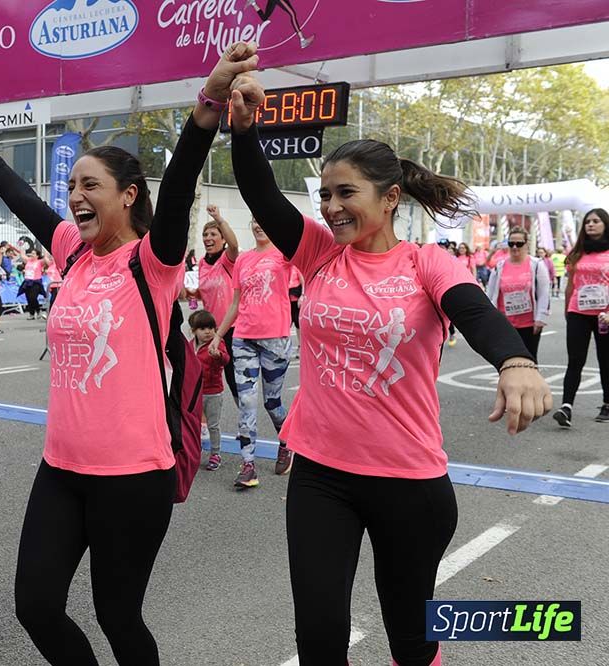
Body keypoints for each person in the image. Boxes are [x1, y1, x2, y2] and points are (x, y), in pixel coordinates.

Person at [228, 70, 551, 666]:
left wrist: (514, 360)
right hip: (321, 476)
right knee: (319, 638)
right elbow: (261, 194)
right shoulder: (320, 253)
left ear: (390, 197)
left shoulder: (427, 262)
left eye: (345, 193)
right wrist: (243, 129)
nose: (331, 207)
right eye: (325, 195)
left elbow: (474, 311)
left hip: (409, 482)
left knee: (410, 639)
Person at [0, 42, 254, 666]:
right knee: (35, 605)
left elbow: (175, 196)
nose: (75, 195)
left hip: (134, 476)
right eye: (72, 185)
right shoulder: (71, 253)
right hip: (61, 470)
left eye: (90, 185)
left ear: (128, 196)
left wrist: (208, 105)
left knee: (119, 616)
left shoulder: (153, 263)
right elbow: (28, 205)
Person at [211, 219, 294, 488]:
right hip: (243, 338)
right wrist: (218, 335)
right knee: (246, 403)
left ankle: (286, 441)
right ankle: (248, 466)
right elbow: (236, 302)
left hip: (275, 338)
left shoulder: (283, 254)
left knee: (272, 403)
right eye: (255, 221)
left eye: (263, 220)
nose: (259, 225)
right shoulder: (243, 260)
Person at [552, 208, 609, 427]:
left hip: (604, 316)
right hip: (578, 313)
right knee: (575, 360)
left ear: (605, 224)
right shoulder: (577, 252)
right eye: (587, 222)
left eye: (595, 221)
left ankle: (607, 403)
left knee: (605, 360)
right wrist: (568, 311)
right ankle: (566, 406)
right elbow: (570, 285)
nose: (590, 225)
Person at [188, 204, 239, 403]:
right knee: (207, 377)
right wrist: (191, 294)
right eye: (205, 234)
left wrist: (219, 219)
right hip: (210, 330)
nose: (208, 238)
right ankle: (205, 422)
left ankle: (246, 424)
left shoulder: (228, 259)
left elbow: (234, 245)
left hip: (231, 328)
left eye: (213, 234)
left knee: (233, 377)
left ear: (223, 239)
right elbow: (204, 292)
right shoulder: (201, 262)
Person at [486, 228, 550, 360]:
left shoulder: (537, 265)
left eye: (519, 244)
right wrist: (491, 320)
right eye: (511, 244)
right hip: (505, 323)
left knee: (529, 360)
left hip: (529, 324)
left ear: (527, 244)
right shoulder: (499, 267)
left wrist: (540, 318)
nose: (515, 247)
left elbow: (544, 293)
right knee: (507, 361)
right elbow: (490, 294)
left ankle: (531, 381)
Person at [190, 310, 229, 471]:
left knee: (213, 425)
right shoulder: (191, 345)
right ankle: (194, 451)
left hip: (213, 392)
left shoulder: (217, 344)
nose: (208, 332)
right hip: (195, 392)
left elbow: (226, 359)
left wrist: (218, 355)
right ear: (194, 331)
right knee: (193, 424)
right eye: (203, 328)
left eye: (211, 328)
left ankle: (215, 453)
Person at [19, 249, 48, 320]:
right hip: (27, 281)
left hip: (36, 282)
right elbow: (22, 255)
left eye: (34, 254)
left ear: (37, 256)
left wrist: (46, 252)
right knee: (28, 298)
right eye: (31, 253)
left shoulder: (39, 262)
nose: (32, 255)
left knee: (33, 297)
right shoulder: (28, 261)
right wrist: (21, 247)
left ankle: (38, 310)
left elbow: (45, 259)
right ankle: (31, 313)